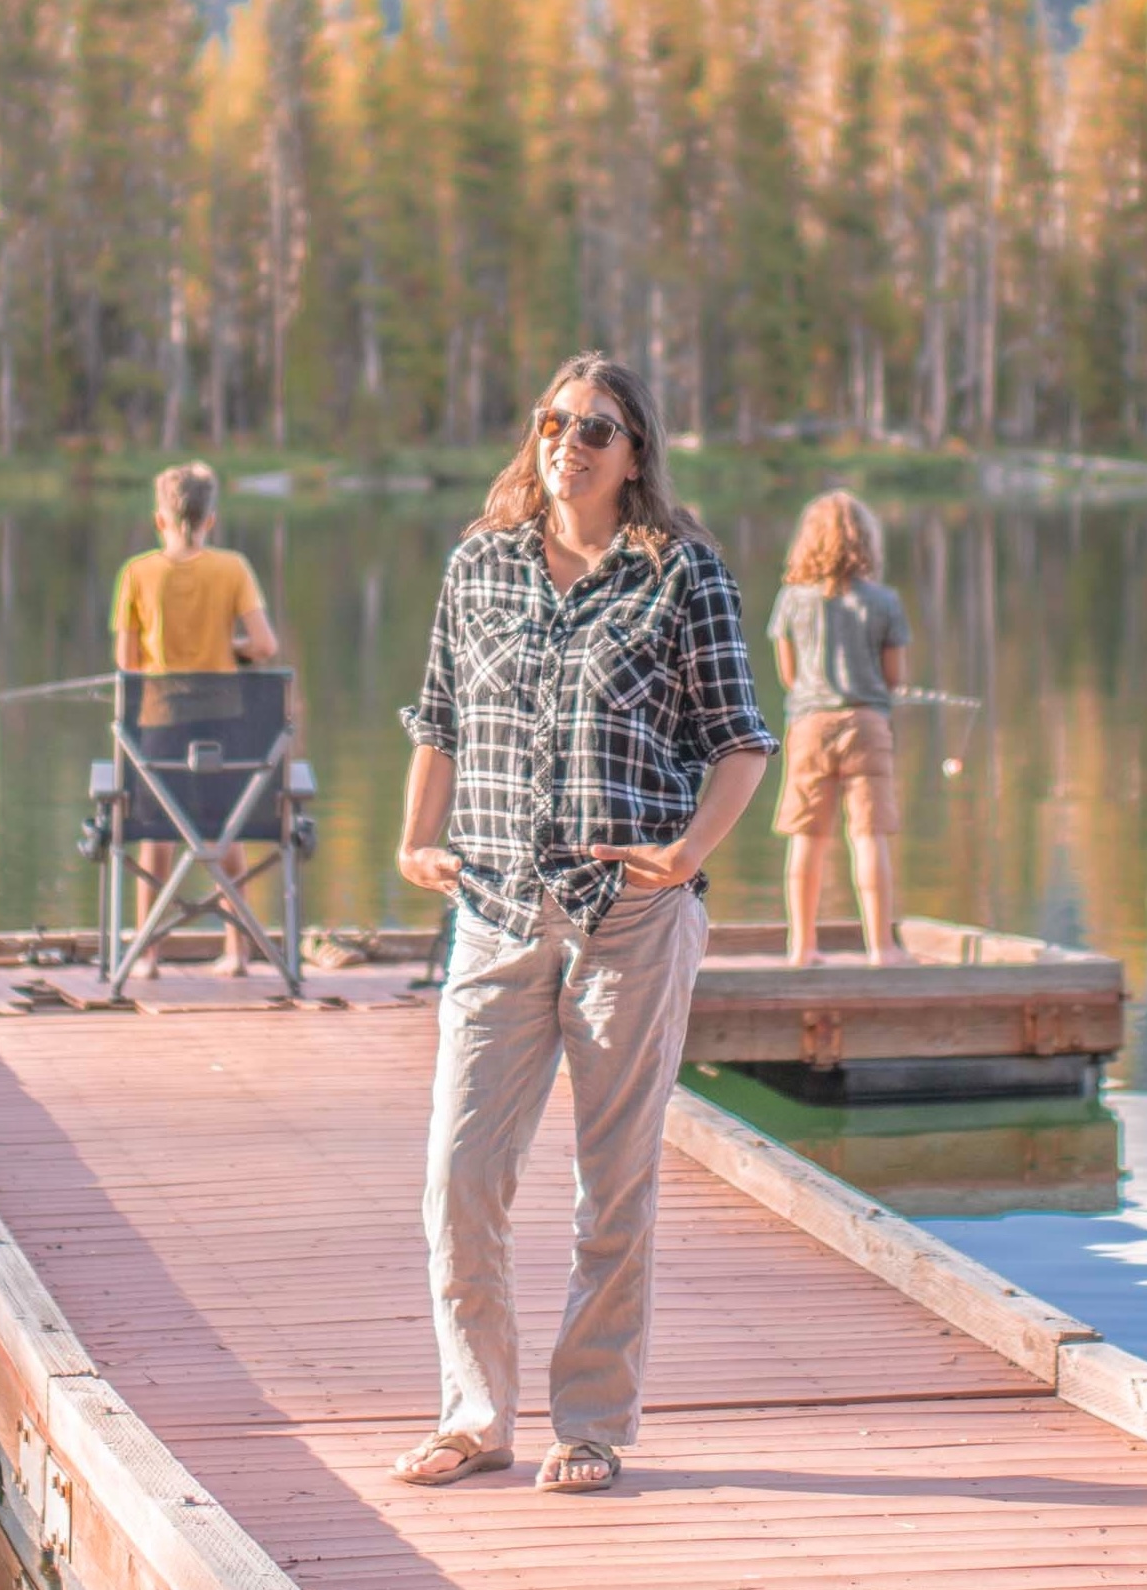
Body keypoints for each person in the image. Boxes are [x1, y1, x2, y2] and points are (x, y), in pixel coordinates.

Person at [390, 353, 774, 1497]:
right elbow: (441, 714)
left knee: (614, 1184)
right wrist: (416, 839)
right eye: (555, 422)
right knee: (459, 1173)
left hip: (632, 921)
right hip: (498, 908)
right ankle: (474, 1414)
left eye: (597, 429)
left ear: (635, 452)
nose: (572, 442)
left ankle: (591, 1423)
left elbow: (742, 740)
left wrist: (689, 855)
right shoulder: (480, 565)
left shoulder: (682, 575)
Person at [108, 461, 280, 975]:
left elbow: (128, 666)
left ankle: (149, 952)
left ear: (160, 520)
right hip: (225, 728)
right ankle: (236, 950)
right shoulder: (233, 569)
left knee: (158, 830)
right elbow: (266, 646)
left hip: (159, 730)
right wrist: (230, 648)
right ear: (211, 520)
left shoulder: (137, 573)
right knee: (224, 831)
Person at [766, 489, 910, 967]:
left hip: (809, 725)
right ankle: (880, 948)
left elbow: (788, 676)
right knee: (869, 836)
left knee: (806, 837)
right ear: (865, 543)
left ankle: (801, 947)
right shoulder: (884, 602)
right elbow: (895, 679)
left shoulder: (791, 600)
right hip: (867, 724)